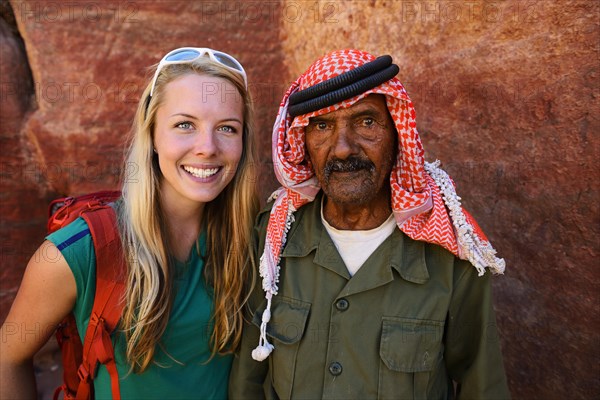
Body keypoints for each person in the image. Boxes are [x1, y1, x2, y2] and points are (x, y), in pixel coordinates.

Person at [229, 49, 510, 399]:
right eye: (322, 126)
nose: (343, 148)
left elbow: (481, 386)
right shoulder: (271, 241)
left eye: (366, 122)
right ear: (303, 142)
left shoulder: (450, 253)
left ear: (396, 134)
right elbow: (247, 381)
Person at [0, 47, 258, 399]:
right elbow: (7, 359)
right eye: (185, 124)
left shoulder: (254, 239)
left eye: (227, 128)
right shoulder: (79, 252)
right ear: (151, 133)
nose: (207, 147)